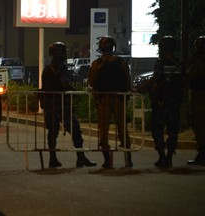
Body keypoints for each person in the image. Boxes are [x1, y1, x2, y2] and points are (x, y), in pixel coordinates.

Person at [41, 41, 97, 168]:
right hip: (60, 105)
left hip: (50, 105)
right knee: (75, 130)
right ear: (59, 53)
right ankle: (80, 157)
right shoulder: (60, 67)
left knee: (52, 134)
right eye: (63, 51)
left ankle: (53, 159)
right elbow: (64, 83)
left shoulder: (47, 69)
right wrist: (74, 92)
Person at [138, 36, 185, 168]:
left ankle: (162, 157)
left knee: (157, 130)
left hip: (161, 102)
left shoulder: (161, 62)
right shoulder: (179, 64)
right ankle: (169, 157)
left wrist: (141, 88)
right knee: (173, 131)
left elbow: (155, 78)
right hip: (174, 102)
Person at [88, 36, 133, 168]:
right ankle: (128, 158)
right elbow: (127, 81)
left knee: (104, 130)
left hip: (104, 99)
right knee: (122, 129)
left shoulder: (97, 64)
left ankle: (107, 160)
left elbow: (91, 82)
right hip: (118, 98)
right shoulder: (121, 62)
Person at [187, 36, 205, 165]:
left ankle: (202, 154)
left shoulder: (199, 60)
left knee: (199, 124)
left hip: (200, 94)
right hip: (198, 93)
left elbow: (191, 74)